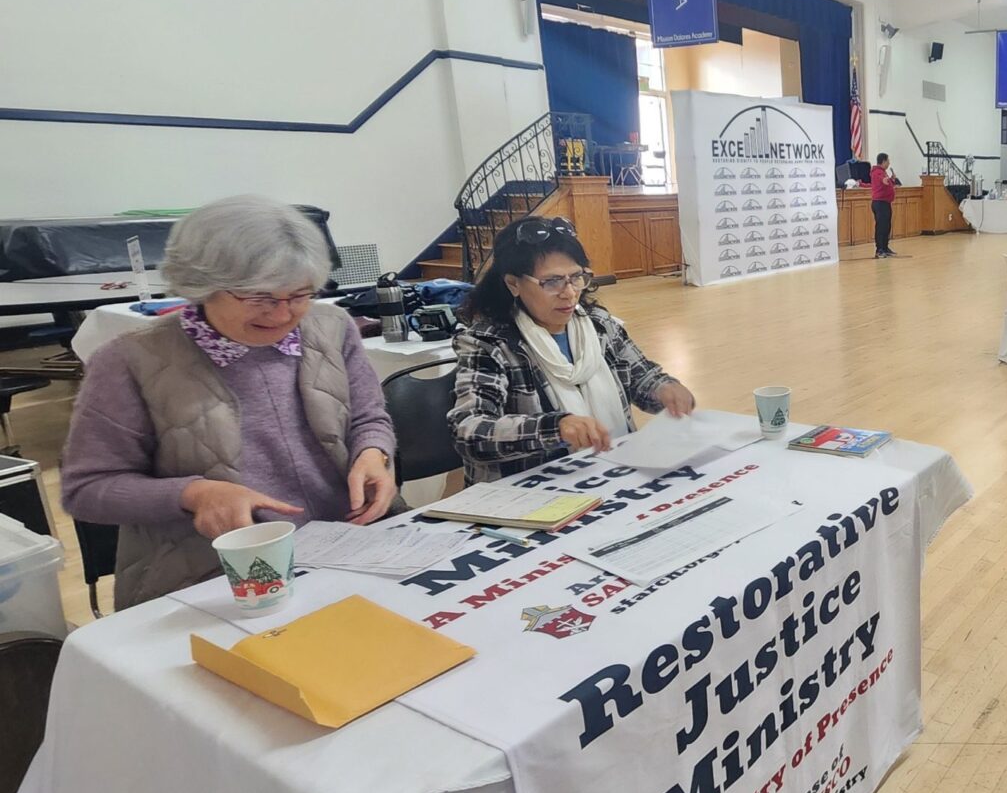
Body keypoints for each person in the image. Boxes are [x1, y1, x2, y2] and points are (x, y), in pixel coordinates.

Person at [61, 195, 398, 609]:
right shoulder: (131, 360)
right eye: (259, 297)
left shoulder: (332, 326)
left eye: (299, 295)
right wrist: (195, 494)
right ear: (201, 284)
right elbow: (86, 489)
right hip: (217, 575)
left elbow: (368, 416)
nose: (282, 314)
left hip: (352, 548)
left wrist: (373, 454)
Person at [451, 216, 696, 482]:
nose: (569, 293)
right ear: (513, 284)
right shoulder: (488, 344)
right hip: (531, 493)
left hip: (612, 472)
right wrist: (555, 428)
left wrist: (665, 389)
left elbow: (643, 378)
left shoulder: (598, 325)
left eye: (577, 277)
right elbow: (469, 431)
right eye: (552, 282)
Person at [869, 152, 898, 258]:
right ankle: (879, 249)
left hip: (886, 203)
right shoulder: (876, 172)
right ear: (884, 161)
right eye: (888, 161)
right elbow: (880, 180)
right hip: (879, 203)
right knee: (881, 227)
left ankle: (885, 247)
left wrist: (892, 180)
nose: (889, 163)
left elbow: (886, 183)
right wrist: (884, 180)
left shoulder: (883, 172)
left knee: (887, 226)